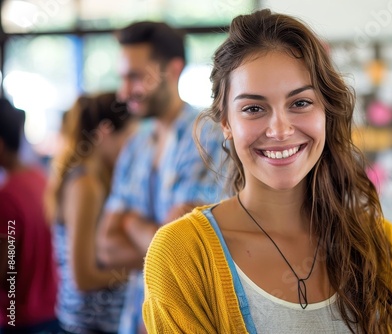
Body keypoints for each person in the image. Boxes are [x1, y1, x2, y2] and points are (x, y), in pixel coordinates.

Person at [143, 9, 392, 334]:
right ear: (226, 123)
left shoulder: (384, 246)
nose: (280, 130)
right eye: (253, 108)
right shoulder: (180, 254)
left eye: (300, 103)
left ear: (326, 110)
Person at [96, 21, 224, 333]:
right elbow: (105, 246)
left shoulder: (206, 136)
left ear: (173, 69)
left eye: (135, 77)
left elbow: (179, 251)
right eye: (123, 78)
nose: (124, 92)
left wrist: (128, 222)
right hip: (135, 321)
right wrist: (152, 235)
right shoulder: (136, 144)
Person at [44, 93, 136, 333]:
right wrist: (139, 268)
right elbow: (83, 277)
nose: (134, 149)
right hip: (88, 325)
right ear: (105, 133)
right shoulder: (86, 186)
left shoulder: (97, 180)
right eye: (129, 138)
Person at [0, 99, 60, 333]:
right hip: (51, 311)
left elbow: (5, 270)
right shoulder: (40, 177)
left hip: (19, 318)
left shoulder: (6, 197)